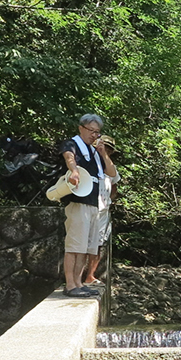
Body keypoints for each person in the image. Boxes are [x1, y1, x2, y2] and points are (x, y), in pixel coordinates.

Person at [60, 114, 118, 297]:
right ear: (81, 128)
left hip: (95, 204)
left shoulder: (95, 152)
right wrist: (74, 171)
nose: (94, 135)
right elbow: (69, 157)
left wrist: (103, 153)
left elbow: (112, 172)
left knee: (86, 247)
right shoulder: (72, 144)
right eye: (91, 131)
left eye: (97, 132)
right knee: (74, 246)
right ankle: (70, 284)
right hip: (78, 201)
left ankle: (78, 282)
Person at [84, 133, 120, 286]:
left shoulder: (110, 167)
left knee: (98, 245)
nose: (106, 151)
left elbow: (114, 186)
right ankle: (77, 278)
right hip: (87, 208)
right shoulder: (88, 163)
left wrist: (109, 201)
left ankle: (90, 276)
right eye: (104, 148)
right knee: (82, 244)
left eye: (108, 149)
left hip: (103, 211)